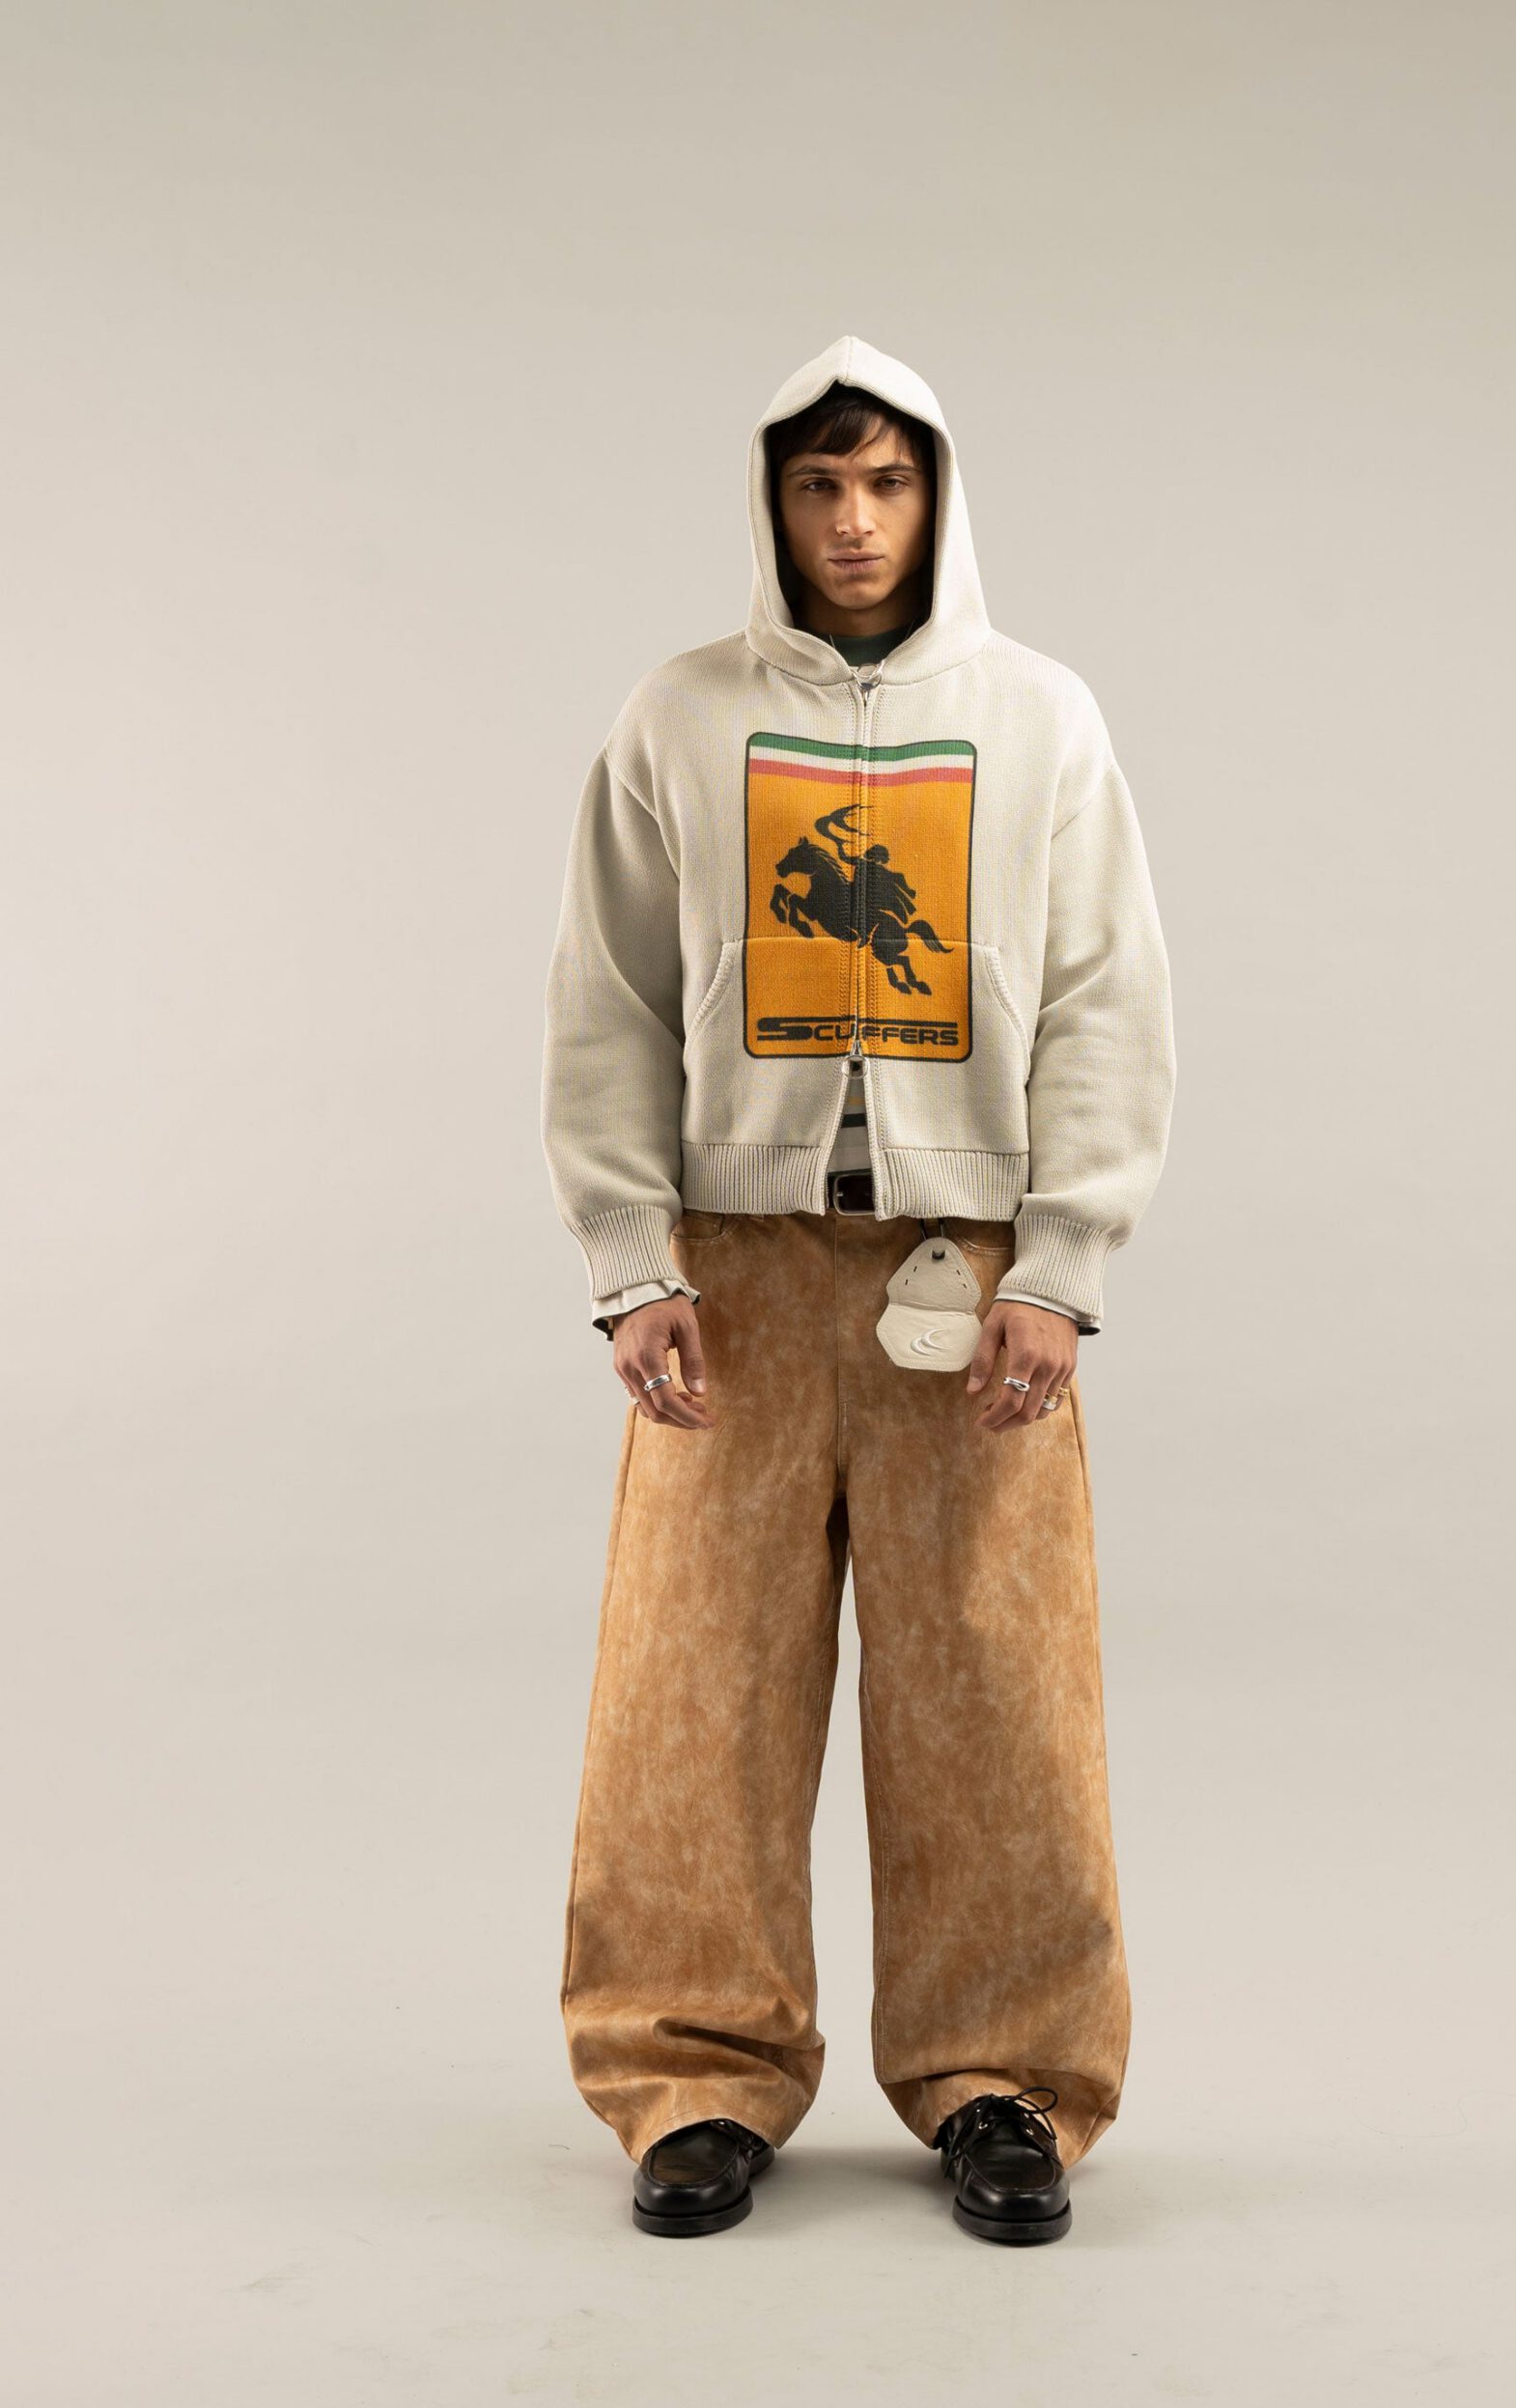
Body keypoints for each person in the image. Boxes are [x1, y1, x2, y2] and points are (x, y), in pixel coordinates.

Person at [541, 334, 1176, 2243]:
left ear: (937, 494)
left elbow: (1103, 1000)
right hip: (732, 1277)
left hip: (961, 1274)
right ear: (772, 498)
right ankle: (692, 2073)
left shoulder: (1041, 719)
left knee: (994, 1681)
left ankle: (1005, 2075)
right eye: (817, 482)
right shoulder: (680, 716)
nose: (850, 520)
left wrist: (1059, 1263)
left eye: (884, 480)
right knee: (693, 1685)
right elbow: (609, 1001)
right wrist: (629, 1259)